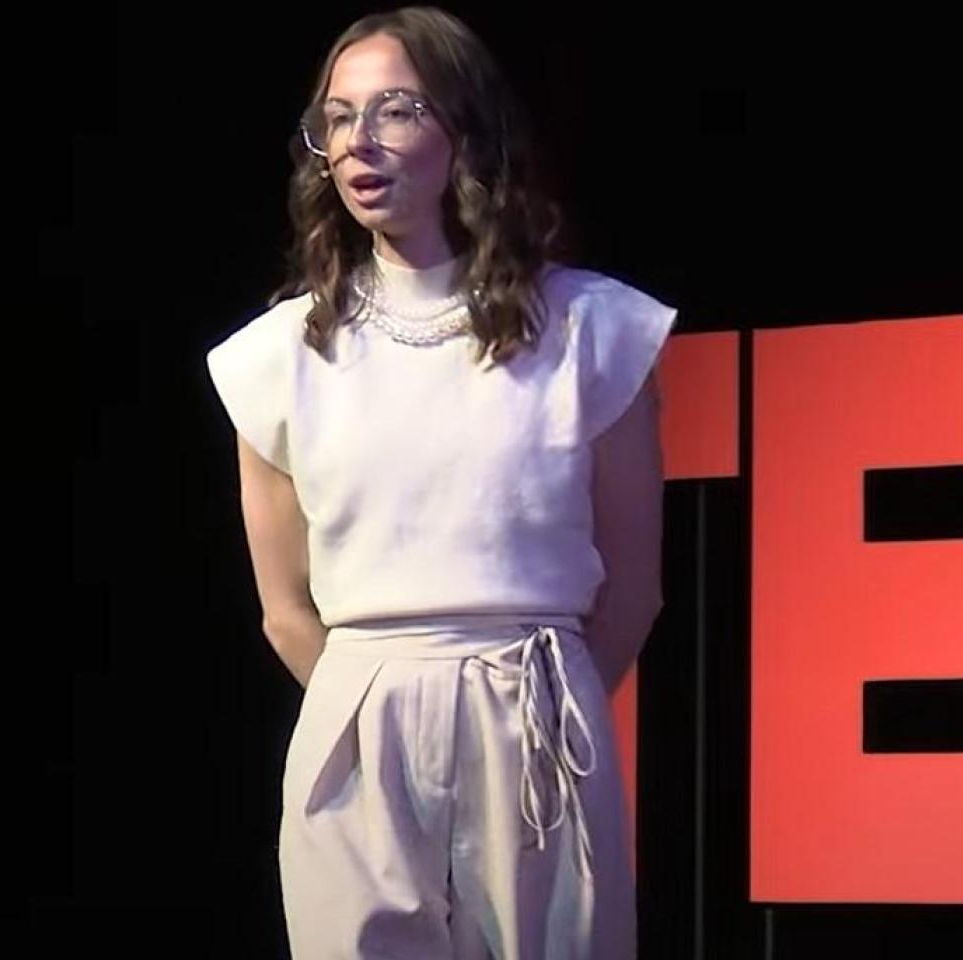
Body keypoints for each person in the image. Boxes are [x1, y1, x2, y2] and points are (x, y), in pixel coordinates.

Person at [205, 7, 673, 958]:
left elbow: (634, 590)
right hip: (359, 718)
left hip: (536, 710)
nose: (358, 142)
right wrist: (386, 696)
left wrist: (546, 704)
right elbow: (286, 610)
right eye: (337, 118)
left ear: (466, 129)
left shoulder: (593, 332)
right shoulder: (276, 359)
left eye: (395, 110)